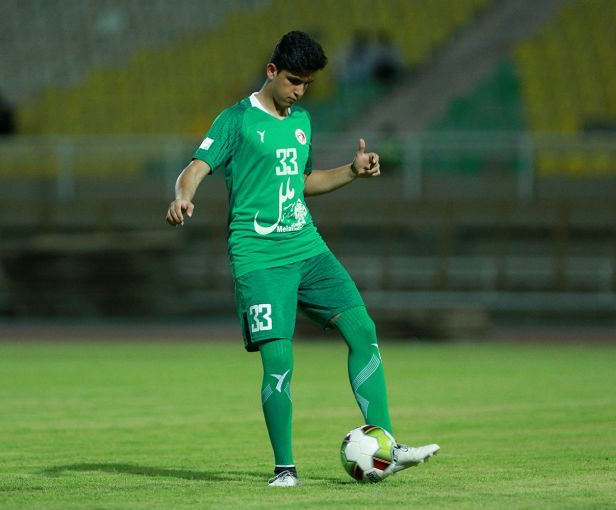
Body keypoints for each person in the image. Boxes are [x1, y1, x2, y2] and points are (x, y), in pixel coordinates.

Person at [166, 30, 439, 487]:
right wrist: (182, 197)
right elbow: (195, 168)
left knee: (363, 330)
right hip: (259, 256)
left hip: (308, 248)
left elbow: (303, 181)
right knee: (279, 360)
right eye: (293, 81)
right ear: (272, 71)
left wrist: (352, 171)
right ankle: (285, 470)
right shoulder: (236, 120)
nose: (299, 91)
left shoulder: (302, 122)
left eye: (307, 84)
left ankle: (388, 446)